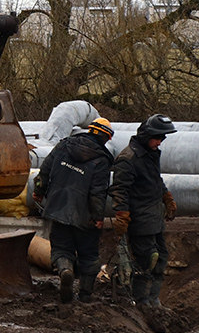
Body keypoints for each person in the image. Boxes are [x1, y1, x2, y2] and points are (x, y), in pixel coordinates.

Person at [31, 117, 115, 303]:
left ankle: (65, 270)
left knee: (61, 248)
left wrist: (39, 190)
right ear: (106, 138)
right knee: (89, 255)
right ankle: (85, 295)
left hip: (58, 208)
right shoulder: (101, 160)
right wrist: (98, 216)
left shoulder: (64, 146)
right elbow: (97, 191)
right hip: (85, 217)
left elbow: (45, 170)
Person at [110, 113, 179, 308]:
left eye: (162, 139)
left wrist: (166, 197)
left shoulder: (149, 155)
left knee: (161, 258)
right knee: (146, 260)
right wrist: (122, 214)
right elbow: (120, 189)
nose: (160, 142)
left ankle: (153, 299)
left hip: (154, 216)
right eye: (157, 138)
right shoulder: (128, 158)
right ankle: (140, 301)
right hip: (140, 218)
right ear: (147, 135)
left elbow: (155, 179)